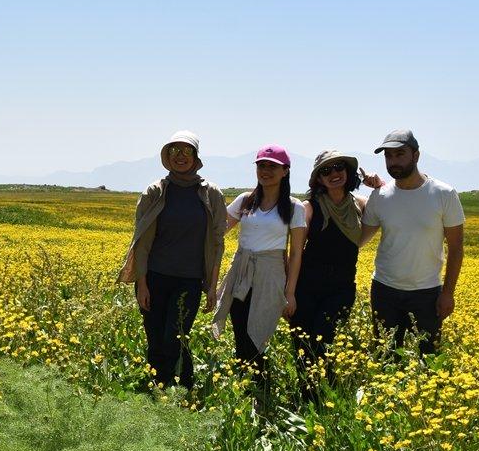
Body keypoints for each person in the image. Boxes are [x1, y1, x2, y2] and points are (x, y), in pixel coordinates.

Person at [117, 131, 229, 391]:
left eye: (186, 151)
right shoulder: (155, 191)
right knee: (155, 339)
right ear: (167, 156)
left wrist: (212, 286)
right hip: (154, 277)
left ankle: (183, 387)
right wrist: (142, 284)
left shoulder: (210, 193)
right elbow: (141, 242)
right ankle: (158, 389)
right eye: (175, 151)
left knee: (175, 337)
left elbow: (217, 243)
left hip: (189, 280)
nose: (180, 157)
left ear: (196, 157)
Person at [211, 145, 307, 407]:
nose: (265, 171)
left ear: (285, 171)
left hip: (271, 273)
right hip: (241, 270)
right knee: (241, 331)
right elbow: (218, 232)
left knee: (259, 333)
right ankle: (249, 394)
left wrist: (289, 293)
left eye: (272, 166)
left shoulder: (293, 206)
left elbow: (296, 253)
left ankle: (261, 393)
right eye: (261, 165)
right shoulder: (244, 200)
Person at [359, 129, 464, 355]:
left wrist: (448, 293)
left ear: (416, 156)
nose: (393, 161)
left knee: (429, 362)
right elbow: (359, 240)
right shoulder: (380, 196)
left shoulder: (444, 194)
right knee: (385, 359)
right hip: (384, 290)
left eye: (400, 154)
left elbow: (456, 249)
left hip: (427, 294)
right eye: (388, 156)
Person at [290, 150, 371, 402]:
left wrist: (377, 185)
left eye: (339, 168)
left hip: (341, 289)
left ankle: (329, 393)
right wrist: (289, 293)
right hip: (306, 288)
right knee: (303, 346)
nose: (334, 174)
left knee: (324, 339)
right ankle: (309, 398)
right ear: (318, 179)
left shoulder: (361, 205)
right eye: (326, 171)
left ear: (348, 172)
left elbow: (390, 205)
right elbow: (295, 254)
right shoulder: (309, 207)